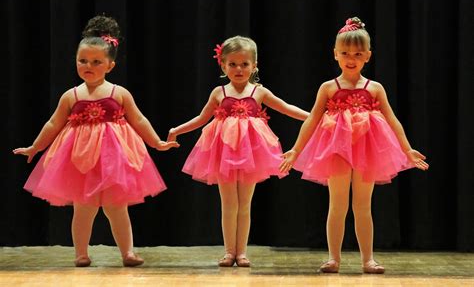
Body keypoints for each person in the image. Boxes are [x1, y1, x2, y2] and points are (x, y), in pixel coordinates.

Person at [13, 15, 178, 267]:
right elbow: (53, 124)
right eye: (83, 61)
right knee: (83, 207)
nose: (88, 65)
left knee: (116, 207)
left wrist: (157, 142)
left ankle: (127, 252)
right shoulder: (71, 95)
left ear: (110, 65)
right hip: (79, 159)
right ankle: (81, 253)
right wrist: (35, 147)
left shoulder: (118, 93)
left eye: (96, 61)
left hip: (113, 158)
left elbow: (139, 120)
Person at [280, 17, 429, 274]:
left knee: (362, 206)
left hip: (367, 151)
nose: (351, 58)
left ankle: (367, 259)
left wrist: (407, 149)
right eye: (346, 53)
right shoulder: (328, 88)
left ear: (368, 56)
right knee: (337, 205)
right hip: (336, 151)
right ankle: (333, 258)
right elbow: (312, 120)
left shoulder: (375, 89)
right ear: (335, 54)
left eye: (358, 53)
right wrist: (296, 149)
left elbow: (392, 120)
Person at [167, 36, 308, 267]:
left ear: (254, 65)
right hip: (223, 152)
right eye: (232, 64)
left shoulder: (259, 92)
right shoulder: (219, 93)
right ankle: (228, 252)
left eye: (244, 64)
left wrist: (313, 116)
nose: (239, 69)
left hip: (252, 152)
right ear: (223, 65)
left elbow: (286, 108)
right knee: (228, 203)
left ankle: (241, 252)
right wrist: (177, 130)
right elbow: (202, 119)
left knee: (245, 204)